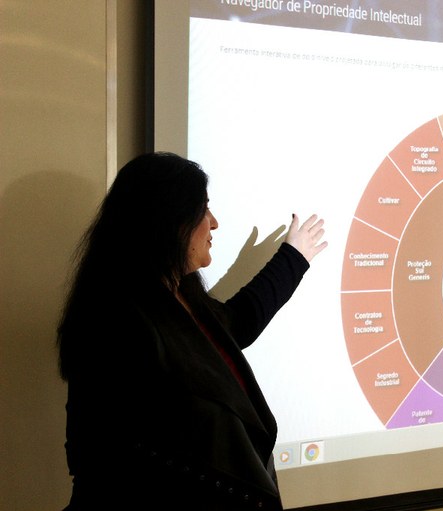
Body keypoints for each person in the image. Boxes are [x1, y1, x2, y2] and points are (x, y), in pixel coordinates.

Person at [57, 152, 327, 510]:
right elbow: (108, 459)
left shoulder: (181, 295)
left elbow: (237, 324)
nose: (213, 223)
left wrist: (293, 258)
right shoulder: (116, 322)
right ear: (169, 221)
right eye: (203, 209)